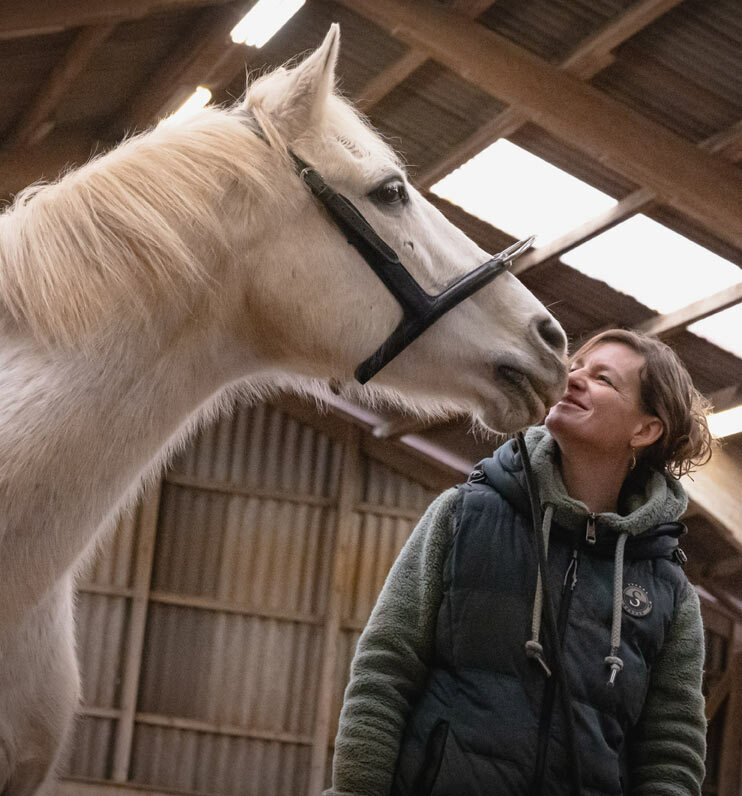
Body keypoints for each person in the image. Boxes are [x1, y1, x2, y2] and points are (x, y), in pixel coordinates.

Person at [326, 328, 714, 796]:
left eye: (603, 380)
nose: (571, 380)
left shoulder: (667, 589)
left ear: (645, 430)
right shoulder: (462, 514)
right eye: (575, 370)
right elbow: (385, 667)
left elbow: (672, 750)